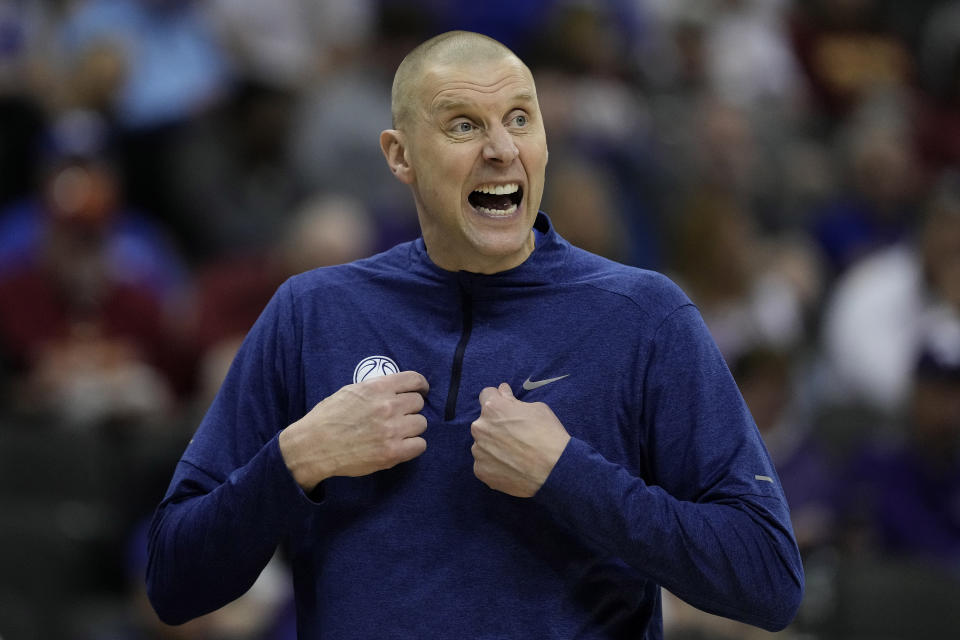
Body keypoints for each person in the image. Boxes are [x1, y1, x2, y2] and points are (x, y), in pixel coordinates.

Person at [146, 31, 803, 638]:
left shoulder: (644, 317)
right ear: (399, 155)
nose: (501, 148)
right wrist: (295, 461)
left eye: (520, 118)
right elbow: (174, 582)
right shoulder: (312, 313)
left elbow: (768, 579)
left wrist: (570, 476)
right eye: (464, 124)